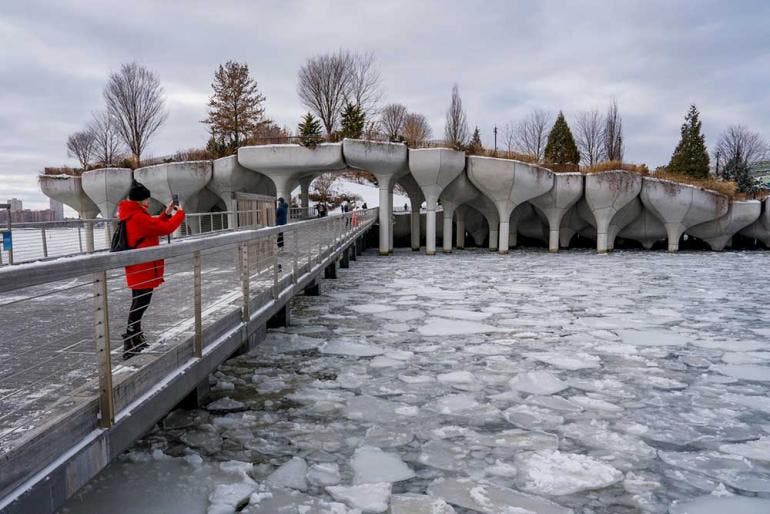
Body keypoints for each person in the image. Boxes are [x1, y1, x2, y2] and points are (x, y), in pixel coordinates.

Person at [118, 181, 185, 360]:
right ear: (140, 200)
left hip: (140, 267)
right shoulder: (138, 217)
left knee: (139, 302)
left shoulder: (134, 214)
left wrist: (166, 213)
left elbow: (152, 226)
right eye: (146, 199)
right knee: (140, 304)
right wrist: (180, 214)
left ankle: (135, 337)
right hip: (142, 268)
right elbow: (165, 229)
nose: (148, 201)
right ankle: (131, 341)